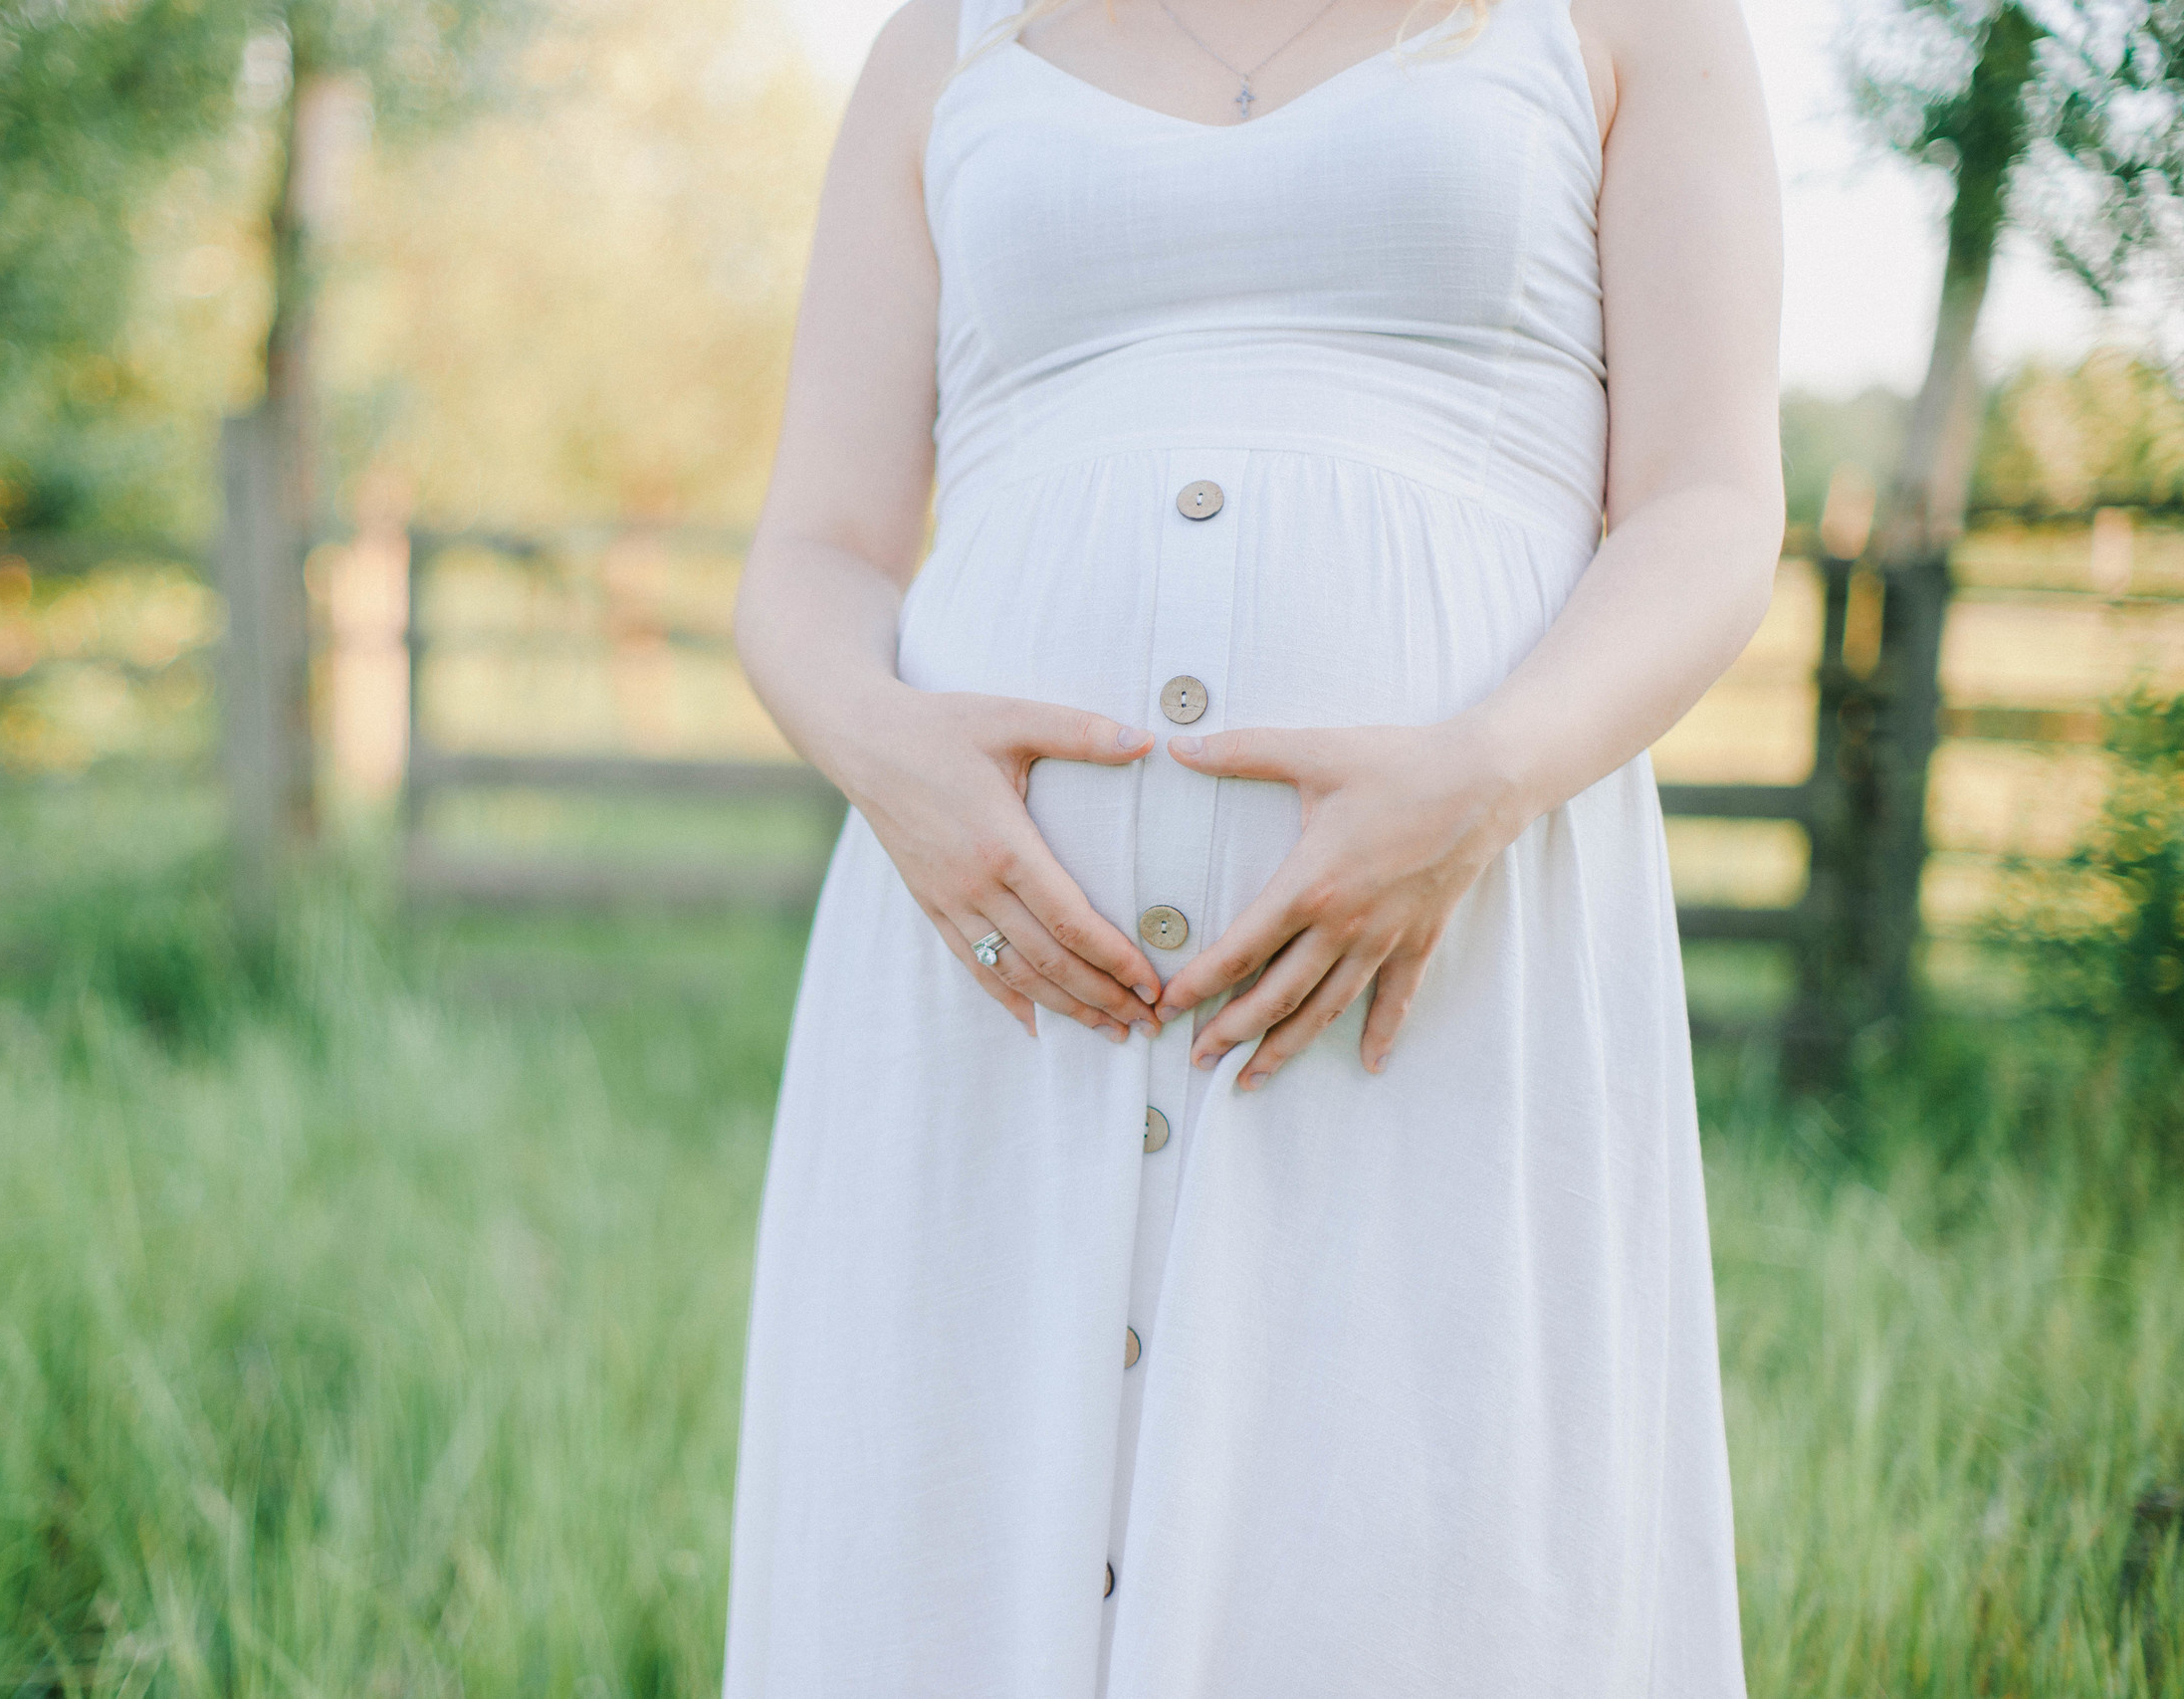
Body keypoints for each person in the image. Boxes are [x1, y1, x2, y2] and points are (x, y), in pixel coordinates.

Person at [725, 0, 1782, 1687]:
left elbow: (1713, 502)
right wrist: (890, 761)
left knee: (1415, 1536)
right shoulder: (948, 41)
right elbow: (814, 548)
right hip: (990, 971)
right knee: (960, 1524)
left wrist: (1489, 776)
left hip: (1447, 939)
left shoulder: (1624, 18)